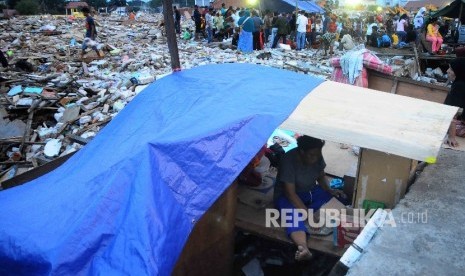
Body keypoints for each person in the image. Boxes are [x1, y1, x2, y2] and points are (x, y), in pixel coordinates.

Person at [274, 135, 346, 261]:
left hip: (310, 192)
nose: (315, 158)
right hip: (288, 196)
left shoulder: (316, 155)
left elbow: (321, 176)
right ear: (302, 152)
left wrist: (330, 190)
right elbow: (290, 194)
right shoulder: (288, 160)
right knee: (292, 216)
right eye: (311, 155)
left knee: (342, 199)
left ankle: (310, 210)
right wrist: (308, 214)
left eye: (317, 155)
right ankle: (303, 248)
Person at [445, 58, 465, 147]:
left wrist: (451, 136)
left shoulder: (459, 86)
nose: (447, 71)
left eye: (451, 69)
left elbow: (452, 111)